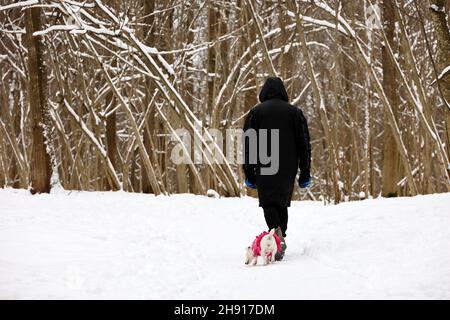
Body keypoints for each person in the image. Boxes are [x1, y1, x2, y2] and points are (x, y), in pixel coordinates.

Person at [243, 77, 311, 261]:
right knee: (281, 201)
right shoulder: (295, 113)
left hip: (265, 162)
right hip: (288, 165)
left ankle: (276, 235)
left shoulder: (255, 113)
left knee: (268, 201)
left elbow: (248, 143)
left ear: (264, 92)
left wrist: (248, 172)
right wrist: (305, 171)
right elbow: (304, 144)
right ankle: (279, 236)